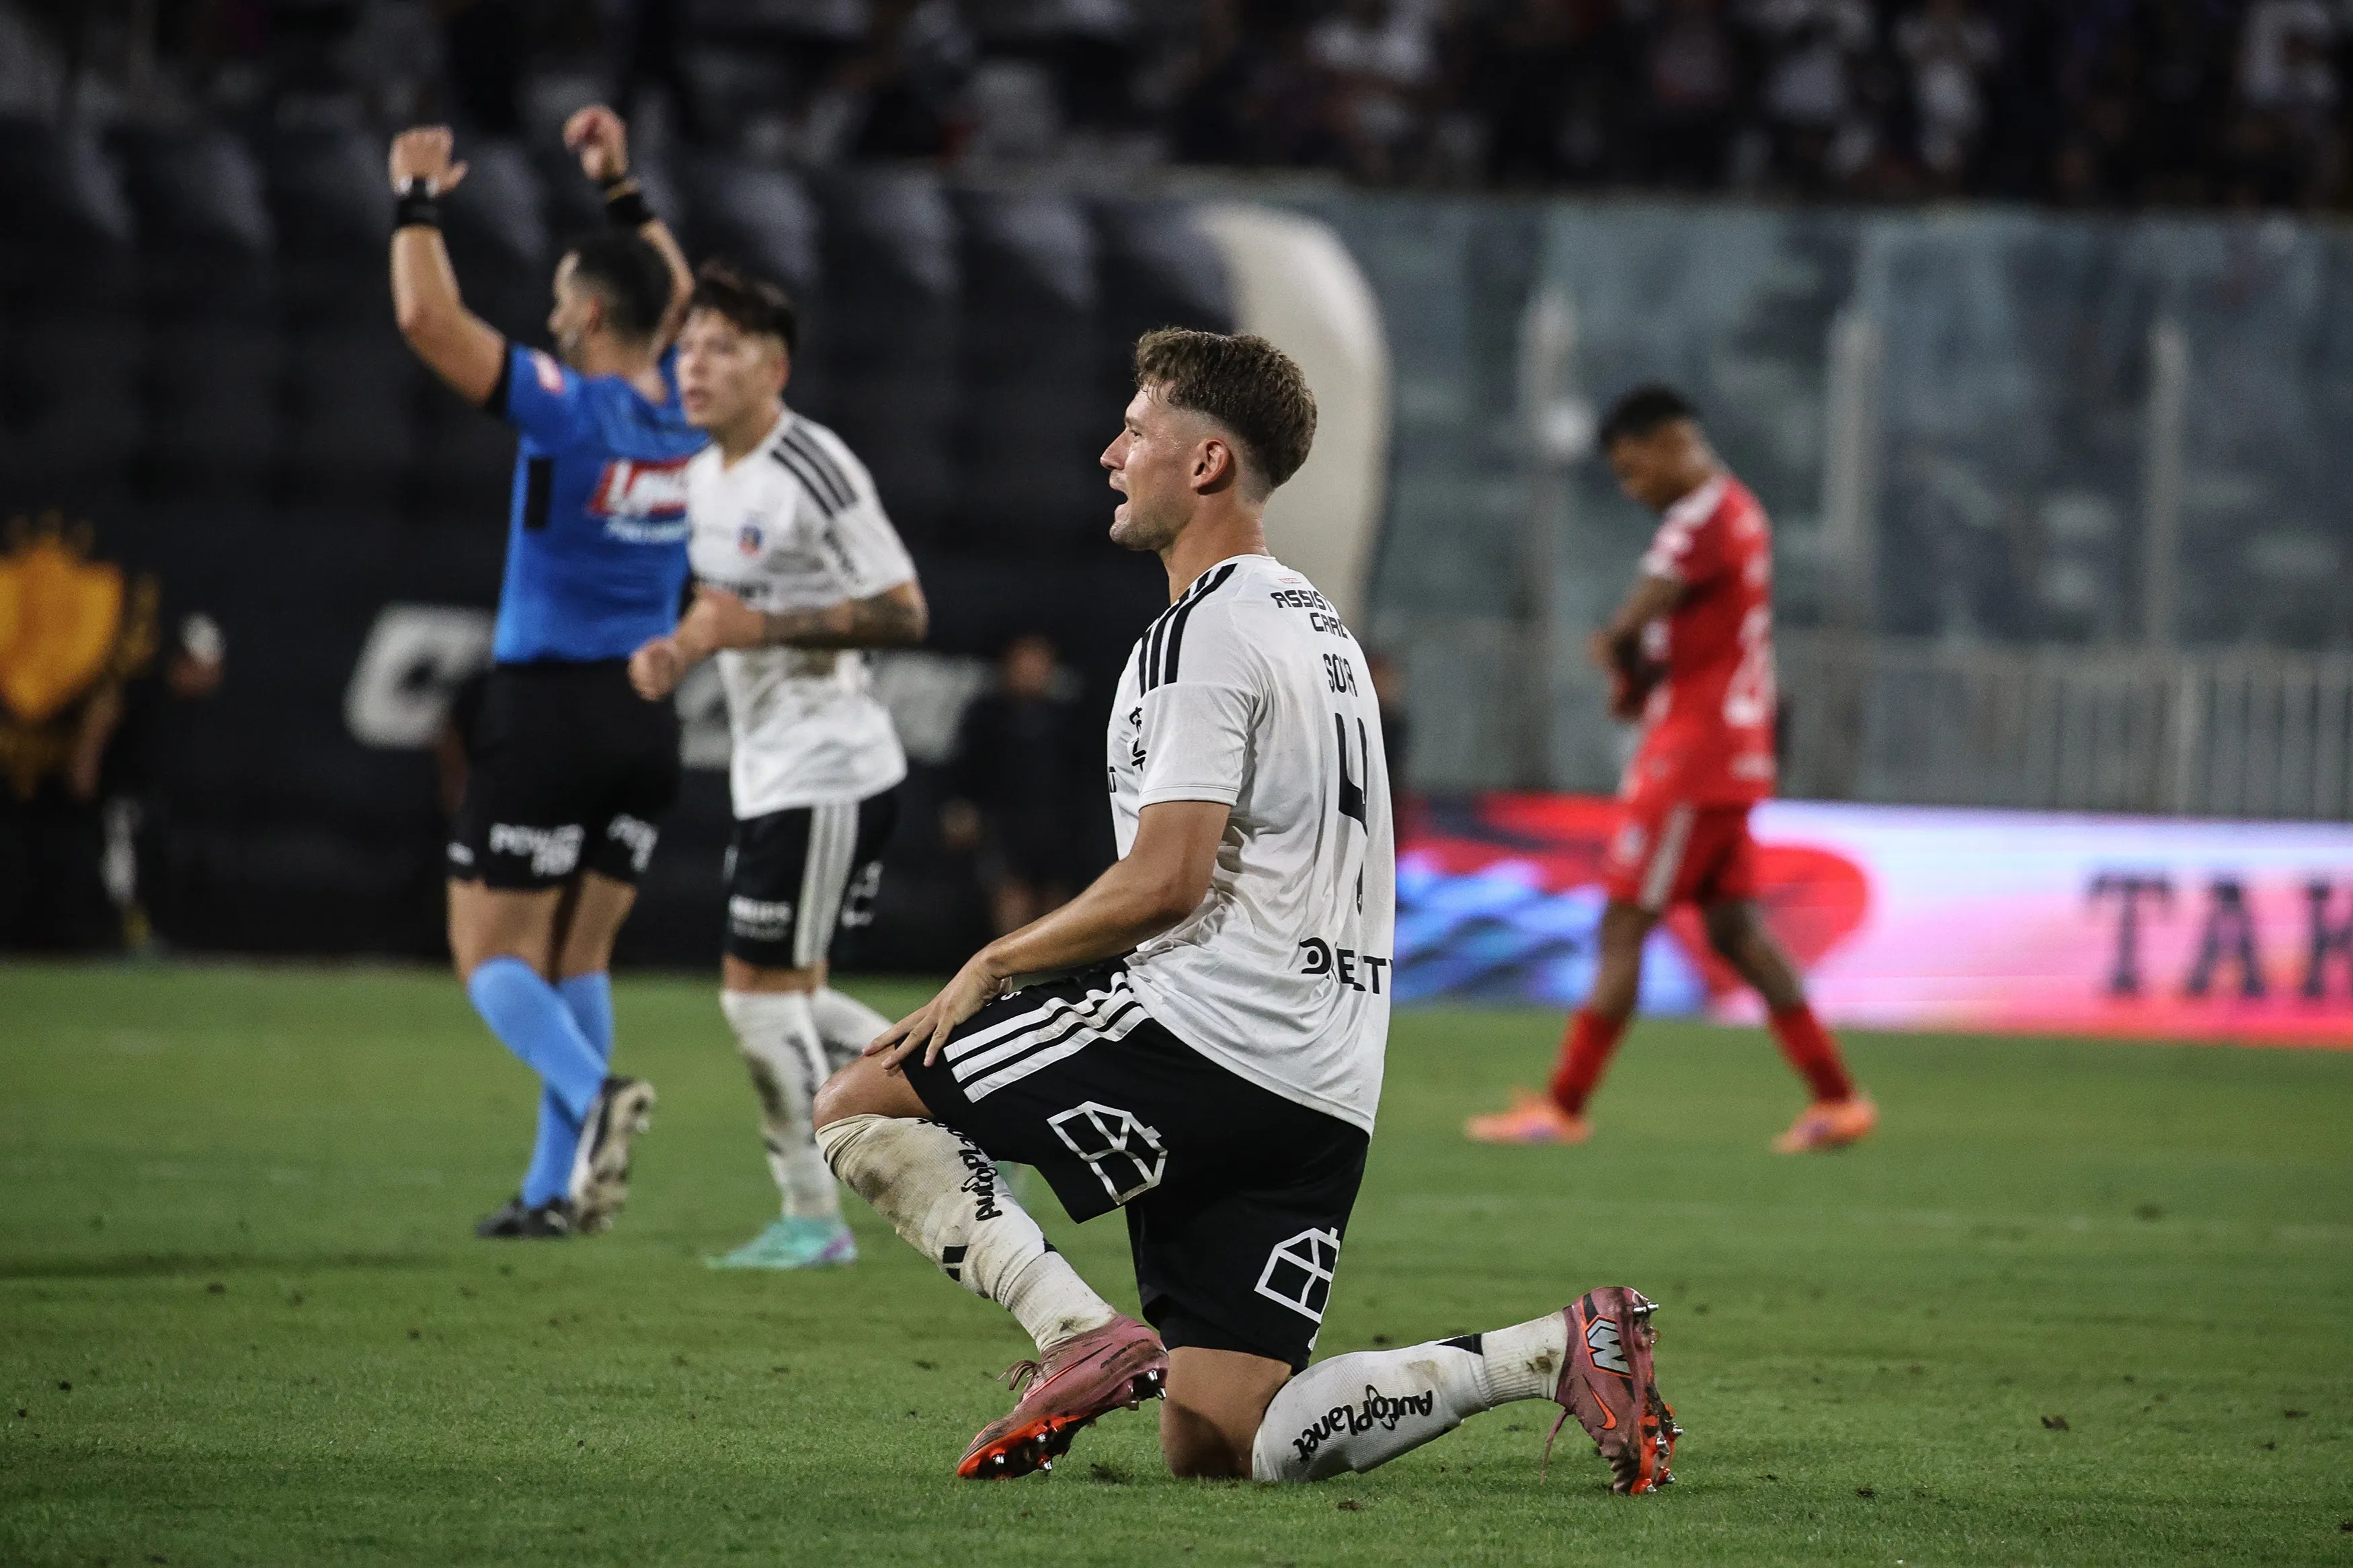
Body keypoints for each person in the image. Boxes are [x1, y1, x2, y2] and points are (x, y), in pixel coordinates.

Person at [806, 329, 1677, 1491]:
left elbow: (1168, 876)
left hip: (1210, 1030)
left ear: (1207, 463)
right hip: (1325, 1078)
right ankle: (1554, 1348)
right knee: (1224, 1435)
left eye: (1137, 429)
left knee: (859, 1101)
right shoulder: (1321, 631)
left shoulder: (1203, 626)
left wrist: (995, 961)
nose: (1111, 453)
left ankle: (1074, 1330)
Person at [387, 104, 699, 1239]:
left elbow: (426, 315)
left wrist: (416, 198)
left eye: (567, 292)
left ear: (596, 312)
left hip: (551, 710)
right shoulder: (682, 413)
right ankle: (553, 1192)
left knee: (489, 952)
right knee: (579, 951)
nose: (553, 310)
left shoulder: (568, 411)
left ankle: (598, 1093)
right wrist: (621, 188)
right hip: (650, 717)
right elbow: (680, 306)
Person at [1467, 384, 1876, 1154]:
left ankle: (1561, 1106)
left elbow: (1632, 621)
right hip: (1732, 753)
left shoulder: (1698, 521)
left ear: (1666, 446)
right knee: (1735, 931)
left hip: (1691, 759)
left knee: (1623, 921)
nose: (1633, 488)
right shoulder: (1741, 512)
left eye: (1631, 469)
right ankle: (1837, 1097)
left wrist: (1622, 663)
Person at [628, 261, 929, 1271]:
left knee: (758, 1000)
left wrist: (757, 627)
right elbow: (725, 612)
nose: (694, 366)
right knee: (789, 995)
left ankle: (817, 1216)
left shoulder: (813, 465)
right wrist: (684, 646)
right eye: (687, 347)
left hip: (829, 770)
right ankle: (978, 1109)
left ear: (775, 367)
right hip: (778, 772)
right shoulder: (706, 474)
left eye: (721, 349)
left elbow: (903, 608)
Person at [939, 631, 1096, 936]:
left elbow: (1084, 776)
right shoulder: (986, 716)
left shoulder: (1067, 718)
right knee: (1011, 895)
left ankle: (1055, 970)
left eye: (1038, 661)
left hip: (1058, 823)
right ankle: (1007, 971)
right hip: (1004, 824)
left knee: (1059, 899)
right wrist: (961, 810)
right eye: (1023, 661)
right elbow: (965, 770)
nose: (1030, 669)